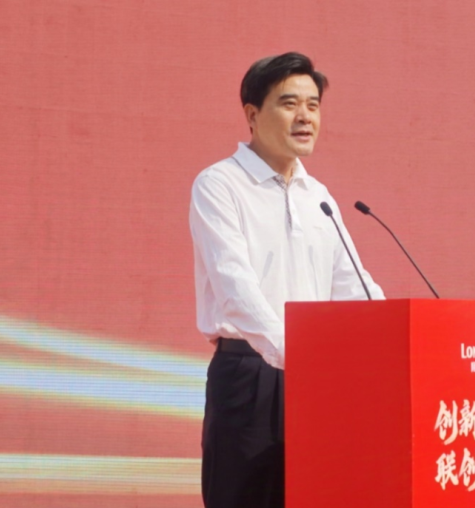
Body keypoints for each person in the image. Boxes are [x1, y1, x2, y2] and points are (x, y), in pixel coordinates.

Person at [188, 52, 384, 508]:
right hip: (249, 378)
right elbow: (236, 290)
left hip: (318, 379)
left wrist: (396, 342)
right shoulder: (220, 184)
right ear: (252, 115)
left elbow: (355, 287)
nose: (305, 117)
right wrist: (303, 358)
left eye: (313, 106)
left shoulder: (319, 196)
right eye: (290, 103)